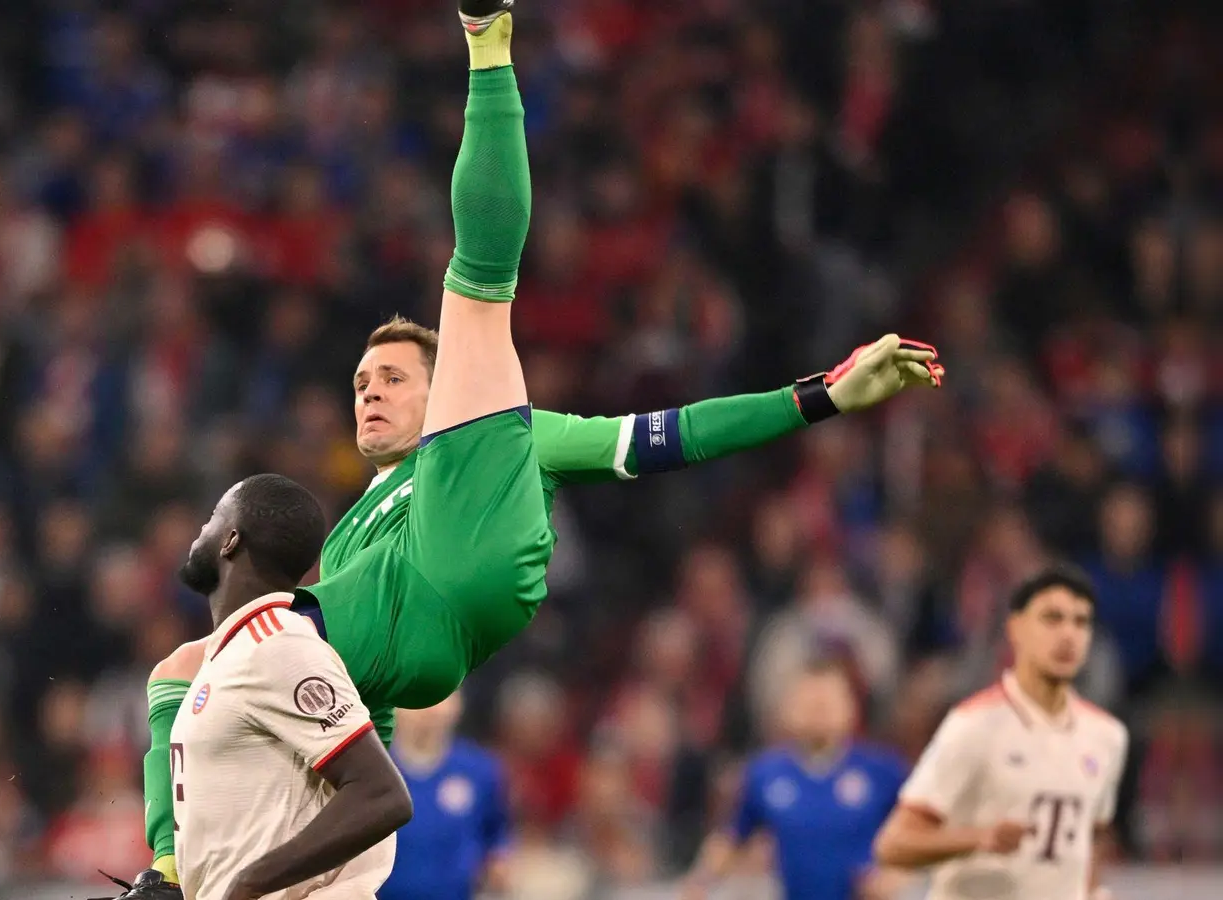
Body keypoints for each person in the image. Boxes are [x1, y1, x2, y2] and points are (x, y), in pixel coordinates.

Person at [132, 1, 946, 891]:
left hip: (469, 550)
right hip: (419, 643)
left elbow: (678, 436)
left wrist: (820, 396)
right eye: (361, 382)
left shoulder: (511, 436)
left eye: (394, 377)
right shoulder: (350, 531)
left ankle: (488, 38)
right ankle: (168, 872)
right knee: (178, 672)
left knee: (478, 289)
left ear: (445, 392)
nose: (370, 390)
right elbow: (358, 691)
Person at [102, 474, 411, 900]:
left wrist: (248, 885)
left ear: (230, 540)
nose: (200, 530)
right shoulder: (234, 654)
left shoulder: (278, 643)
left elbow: (382, 794)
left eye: (212, 518)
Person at [873, 565, 1129, 900]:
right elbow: (892, 846)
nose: (1068, 634)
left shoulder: (1107, 735)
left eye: (1081, 622)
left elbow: (1089, 836)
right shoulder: (974, 725)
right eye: (1052, 619)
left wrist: (1091, 891)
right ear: (1016, 629)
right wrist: (978, 839)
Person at [680, 659, 909, 900]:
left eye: (827, 703)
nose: (818, 711)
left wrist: (896, 876)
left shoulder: (882, 771)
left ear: (850, 708)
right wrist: (699, 882)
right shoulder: (765, 774)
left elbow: (922, 829)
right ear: (787, 709)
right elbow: (732, 836)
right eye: (809, 703)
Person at [378, 693, 510, 900]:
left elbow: (497, 830)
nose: (431, 710)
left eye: (444, 696)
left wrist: (498, 862)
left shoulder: (480, 769)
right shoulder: (372, 770)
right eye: (419, 695)